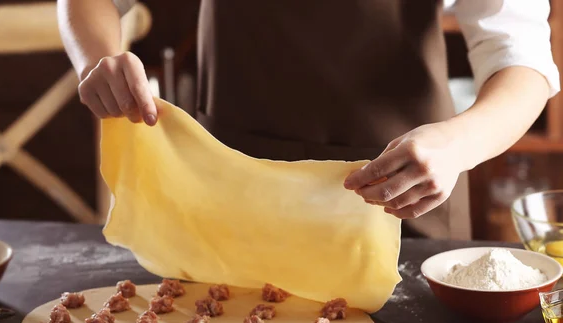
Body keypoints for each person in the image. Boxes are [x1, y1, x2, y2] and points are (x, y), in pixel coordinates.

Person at [58, 0, 559, 239]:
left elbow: (523, 61)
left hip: (401, 200)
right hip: (236, 195)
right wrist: (97, 58)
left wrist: (459, 145)